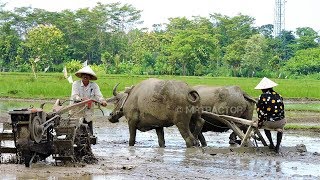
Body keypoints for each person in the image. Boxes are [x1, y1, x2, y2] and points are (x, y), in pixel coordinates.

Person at [70, 65, 107, 134]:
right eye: (84, 74)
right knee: (75, 130)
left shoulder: (94, 85)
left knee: (89, 131)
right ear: (81, 76)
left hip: (88, 111)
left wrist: (102, 101)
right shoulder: (76, 84)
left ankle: (89, 138)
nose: (85, 76)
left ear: (90, 77)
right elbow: (74, 96)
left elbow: (98, 96)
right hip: (77, 110)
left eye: (88, 75)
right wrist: (82, 99)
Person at [255, 77, 286, 153]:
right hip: (281, 122)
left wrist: (259, 122)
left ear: (263, 89)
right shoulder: (279, 95)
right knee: (280, 130)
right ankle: (277, 147)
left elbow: (260, 112)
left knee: (265, 128)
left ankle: (271, 143)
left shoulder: (262, 97)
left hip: (270, 123)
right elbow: (282, 110)